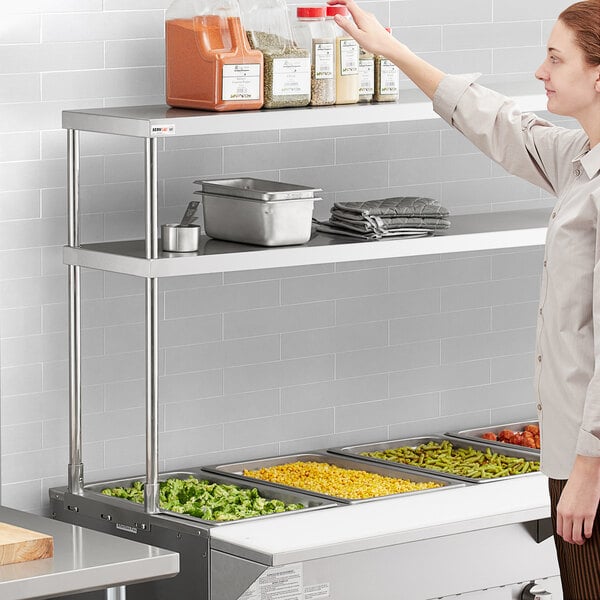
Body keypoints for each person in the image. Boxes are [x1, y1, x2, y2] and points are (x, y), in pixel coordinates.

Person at [328, 0, 600, 596]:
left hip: (592, 468)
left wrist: (588, 469)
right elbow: (498, 123)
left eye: (555, 58)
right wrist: (392, 51)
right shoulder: (581, 161)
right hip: (573, 459)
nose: (540, 71)